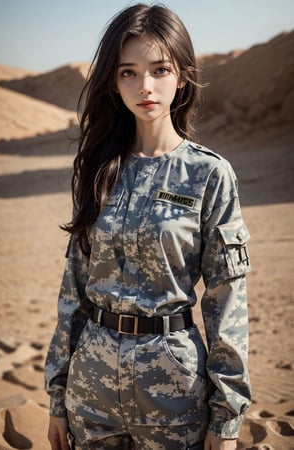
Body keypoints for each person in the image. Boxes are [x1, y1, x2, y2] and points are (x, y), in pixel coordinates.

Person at [45, 3, 252, 450]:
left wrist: (227, 417)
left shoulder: (209, 175)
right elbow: (73, 289)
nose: (144, 86)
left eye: (159, 70)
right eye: (128, 72)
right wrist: (58, 397)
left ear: (182, 75)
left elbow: (226, 300)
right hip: (91, 392)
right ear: (113, 81)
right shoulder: (98, 169)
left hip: (174, 395)